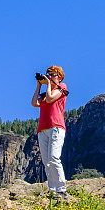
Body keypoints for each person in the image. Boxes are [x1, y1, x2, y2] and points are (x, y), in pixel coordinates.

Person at [31, 65, 68, 200]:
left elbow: (51, 98)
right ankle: (52, 190)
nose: (50, 77)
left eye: (52, 74)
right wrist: (39, 85)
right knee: (47, 162)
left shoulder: (62, 87)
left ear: (59, 77)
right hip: (43, 129)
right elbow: (34, 103)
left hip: (56, 127)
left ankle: (61, 189)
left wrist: (48, 84)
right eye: (48, 74)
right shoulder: (45, 93)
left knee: (54, 157)